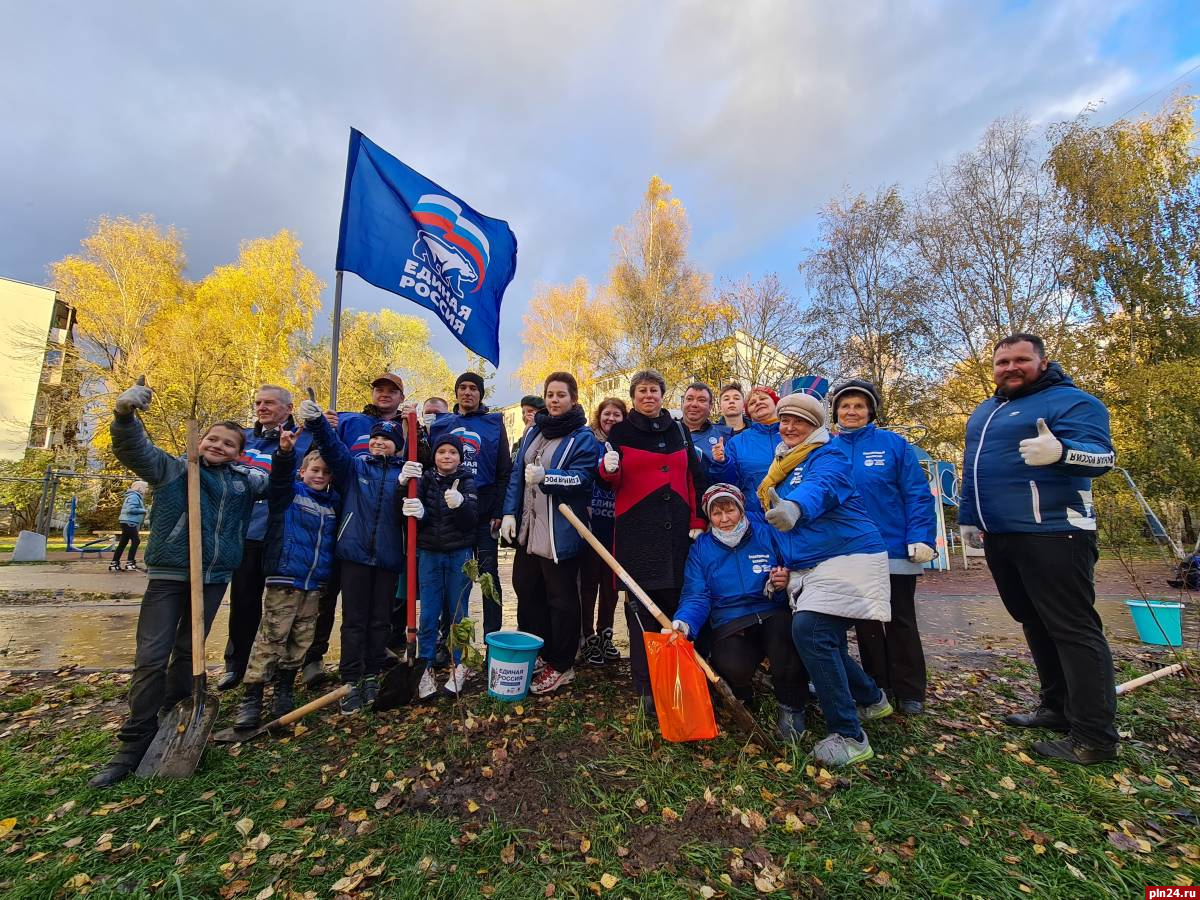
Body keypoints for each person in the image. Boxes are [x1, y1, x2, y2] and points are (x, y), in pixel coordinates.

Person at [90, 381, 268, 787]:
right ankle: (134, 740)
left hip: (213, 577)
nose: (218, 447)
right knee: (152, 655)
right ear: (200, 440)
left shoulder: (241, 483)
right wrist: (123, 415)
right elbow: (135, 449)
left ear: (239, 452)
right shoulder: (172, 470)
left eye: (228, 444)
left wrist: (289, 455)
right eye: (213, 439)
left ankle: (174, 719)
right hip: (170, 576)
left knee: (191, 653)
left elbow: (277, 482)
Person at [960, 333, 1118, 764]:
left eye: (1020, 360)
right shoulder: (987, 410)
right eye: (1002, 361)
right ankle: (1056, 707)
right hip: (1002, 535)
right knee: (1033, 620)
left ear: (1043, 362)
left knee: (1072, 629)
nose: (1010, 368)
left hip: (1055, 533)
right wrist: (969, 519)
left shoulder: (1073, 402)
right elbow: (972, 467)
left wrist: (1063, 452)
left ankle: (1094, 736)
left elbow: (1104, 459)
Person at [763, 392, 892, 767]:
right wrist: (782, 562)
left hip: (848, 555)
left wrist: (797, 506)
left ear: (816, 426)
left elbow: (824, 486)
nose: (789, 427)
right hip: (811, 564)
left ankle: (850, 735)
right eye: (784, 420)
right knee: (827, 640)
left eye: (799, 422)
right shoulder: (782, 463)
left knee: (810, 632)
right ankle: (871, 700)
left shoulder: (828, 454)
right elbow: (780, 526)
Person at [301, 396, 422, 715]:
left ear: (398, 446)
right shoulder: (354, 468)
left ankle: (371, 675)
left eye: (387, 439)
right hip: (354, 554)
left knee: (379, 622)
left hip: (388, 555)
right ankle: (351, 680)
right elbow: (331, 448)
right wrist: (316, 423)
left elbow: (407, 512)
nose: (380, 443)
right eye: (376, 438)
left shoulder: (408, 476)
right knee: (353, 621)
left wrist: (408, 493)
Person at [670, 483, 812, 741]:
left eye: (730, 511)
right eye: (716, 514)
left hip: (770, 610)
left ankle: (791, 707)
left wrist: (783, 581)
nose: (724, 519)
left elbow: (792, 567)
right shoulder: (701, 548)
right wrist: (684, 622)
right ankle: (752, 682)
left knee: (785, 642)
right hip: (731, 620)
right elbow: (696, 595)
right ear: (708, 516)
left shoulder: (766, 534)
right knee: (734, 666)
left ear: (741, 508)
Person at [831, 379, 938, 715]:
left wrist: (920, 535)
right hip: (849, 552)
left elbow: (917, 493)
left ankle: (910, 691)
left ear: (871, 411)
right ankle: (877, 684)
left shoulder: (893, 445)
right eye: (845, 406)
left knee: (900, 619)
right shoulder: (826, 448)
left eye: (858, 406)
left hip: (892, 547)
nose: (851, 411)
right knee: (865, 622)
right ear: (835, 411)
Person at [599, 369, 704, 712]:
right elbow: (608, 483)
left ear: (662, 395)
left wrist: (696, 518)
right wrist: (608, 468)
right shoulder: (622, 431)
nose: (648, 396)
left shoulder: (678, 430)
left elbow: (690, 476)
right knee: (641, 611)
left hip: (677, 531)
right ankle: (645, 686)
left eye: (654, 390)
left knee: (678, 607)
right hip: (637, 531)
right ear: (633, 396)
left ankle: (679, 677)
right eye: (642, 391)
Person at [233, 429, 338, 730]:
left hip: (313, 582)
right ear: (302, 471)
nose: (320, 476)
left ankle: (284, 689)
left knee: (301, 639)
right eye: (314, 470)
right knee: (272, 637)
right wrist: (285, 453)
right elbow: (279, 478)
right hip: (285, 578)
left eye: (325, 472)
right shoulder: (289, 495)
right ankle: (252, 696)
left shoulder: (331, 504)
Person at [500, 372, 598, 694]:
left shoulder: (583, 437)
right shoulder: (532, 431)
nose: (554, 400)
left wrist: (549, 477)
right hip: (529, 531)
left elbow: (583, 479)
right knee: (526, 589)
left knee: (561, 599)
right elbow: (517, 474)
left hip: (560, 533)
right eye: (550, 394)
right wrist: (508, 514)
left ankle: (562, 663)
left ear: (574, 399)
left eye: (561, 395)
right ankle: (539, 651)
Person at [220, 385, 311, 692]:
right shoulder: (242, 437)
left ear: (288, 408)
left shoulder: (304, 438)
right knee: (243, 602)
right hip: (244, 533)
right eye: (258, 402)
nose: (262, 407)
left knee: (281, 607)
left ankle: (275, 665)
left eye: (269, 403)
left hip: (281, 533)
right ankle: (236, 664)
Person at [429, 372, 513, 638]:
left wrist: (500, 511)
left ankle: (493, 638)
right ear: (456, 393)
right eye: (462, 388)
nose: (467, 392)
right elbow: (430, 466)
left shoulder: (494, 423)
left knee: (489, 578)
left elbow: (503, 472)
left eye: (473, 388)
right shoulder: (442, 424)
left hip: (485, 515)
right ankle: (450, 639)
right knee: (454, 579)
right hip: (452, 515)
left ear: (480, 394)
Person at [404, 434, 479, 699]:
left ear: (460, 457)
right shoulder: (424, 479)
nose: (447, 456)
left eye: (453, 453)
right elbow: (414, 518)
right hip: (429, 554)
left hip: (459, 554)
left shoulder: (468, 481)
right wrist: (419, 512)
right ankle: (424, 665)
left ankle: (460, 664)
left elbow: (471, 520)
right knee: (428, 614)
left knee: (458, 611)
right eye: (442, 452)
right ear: (434, 455)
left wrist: (460, 506)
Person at [579, 397, 626, 667]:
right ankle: (588, 638)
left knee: (611, 585)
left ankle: (606, 634)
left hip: (618, 524)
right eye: (607, 414)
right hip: (591, 519)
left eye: (617, 415)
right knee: (588, 583)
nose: (611, 419)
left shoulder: (627, 446)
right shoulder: (590, 442)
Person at [710, 385, 781, 513]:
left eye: (763, 399)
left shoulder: (793, 432)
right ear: (748, 410)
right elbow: (730, 483)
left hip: (797, 514)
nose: (758, 402)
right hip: (755, 515)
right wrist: (722, 463)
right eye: (753, 402)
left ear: (775, 403)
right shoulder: (736, 442)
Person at [680, 381, 726, 488]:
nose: (694, 404)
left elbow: (729, 481)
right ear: (683, 403)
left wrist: (721, 463)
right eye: (689, 399)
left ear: (710, 406)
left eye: (701, 400)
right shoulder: (668, 432)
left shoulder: (722, 436)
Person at [110, 480, 148, 571]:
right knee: (136, 541)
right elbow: (130, 510)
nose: (147, 489)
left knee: (123, 542)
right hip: (129, 522)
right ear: (140, 488)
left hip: (127, 521)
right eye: (146, 487)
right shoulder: (134, 496)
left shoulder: (134, 496)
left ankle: (114, 564)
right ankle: (130, 563)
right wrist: (144, 511)